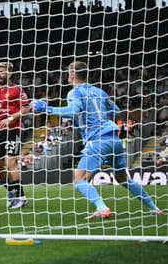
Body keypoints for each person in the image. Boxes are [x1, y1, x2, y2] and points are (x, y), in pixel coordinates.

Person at [32, 61, 164, 219]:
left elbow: (74, 111)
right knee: (123, 178)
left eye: (68, 73)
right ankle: (154, 208)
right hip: (114, 139)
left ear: (73, 74)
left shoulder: (74, 92)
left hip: (98, 139)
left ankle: (102, 207)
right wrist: (98, 115)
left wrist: (47, 108)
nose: (68, 76)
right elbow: (115, 111)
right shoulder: (99, 91)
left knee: (78, 179)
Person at [0, 62, 30, 209]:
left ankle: (21, 197)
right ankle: (11, 191)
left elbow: (26, 110)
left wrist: (9, 119)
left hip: (14, 129)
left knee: (11, 163)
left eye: (2, 71)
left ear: (10, 73)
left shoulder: (17, 89)